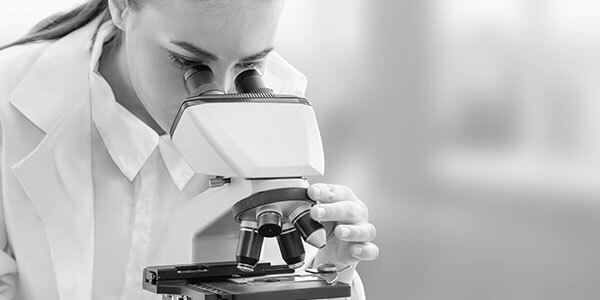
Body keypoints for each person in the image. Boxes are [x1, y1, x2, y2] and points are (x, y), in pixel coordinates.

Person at [0, 0, 379, 299]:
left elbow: (286, 272)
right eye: (189, 63)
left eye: (251, 65)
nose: (221, 93)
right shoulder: (9, 99)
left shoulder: (281, 106)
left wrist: (329, 274)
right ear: (120, 6)